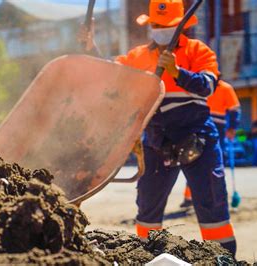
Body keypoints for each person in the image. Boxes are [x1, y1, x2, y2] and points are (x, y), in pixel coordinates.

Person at [78, 0, 236, 255]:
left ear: (180, 26)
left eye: (165, 25)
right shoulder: (139, 56)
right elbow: (111, 74)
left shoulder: (198, 51)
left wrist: (177, 72)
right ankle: (147, 256)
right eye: (155, 24)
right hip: (156, 141)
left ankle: (223, 258)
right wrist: (91, 47)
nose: (159, 29)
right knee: (148, 209)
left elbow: (208, 86)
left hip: (197, 138)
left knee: (212, 206)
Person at [180, 80, 240, 208]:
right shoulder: (202, 84)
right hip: (200, 125)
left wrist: (232, 128)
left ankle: (210, 197)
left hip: (213, 128)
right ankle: (192, 197)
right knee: (197, 162)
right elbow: (234, 109)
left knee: (207, 163)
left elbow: (234, 109)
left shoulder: (222, 87)